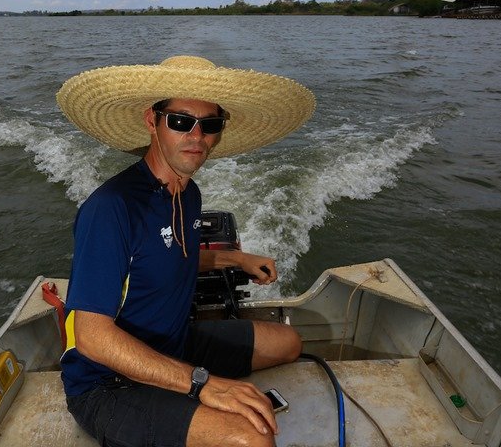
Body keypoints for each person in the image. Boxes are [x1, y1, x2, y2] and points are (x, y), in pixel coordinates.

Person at [55, 56, 316, 447]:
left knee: (288, 343)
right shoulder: (112, 208)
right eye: (180, 121)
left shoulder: (188, 193)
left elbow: (170, 258)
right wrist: (203, 383)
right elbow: (92, 336)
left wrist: (236, 259)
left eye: (209, 125)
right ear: (152, 121)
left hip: (174, 343)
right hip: (108, 382)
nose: (197, 136)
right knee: (252, 438)